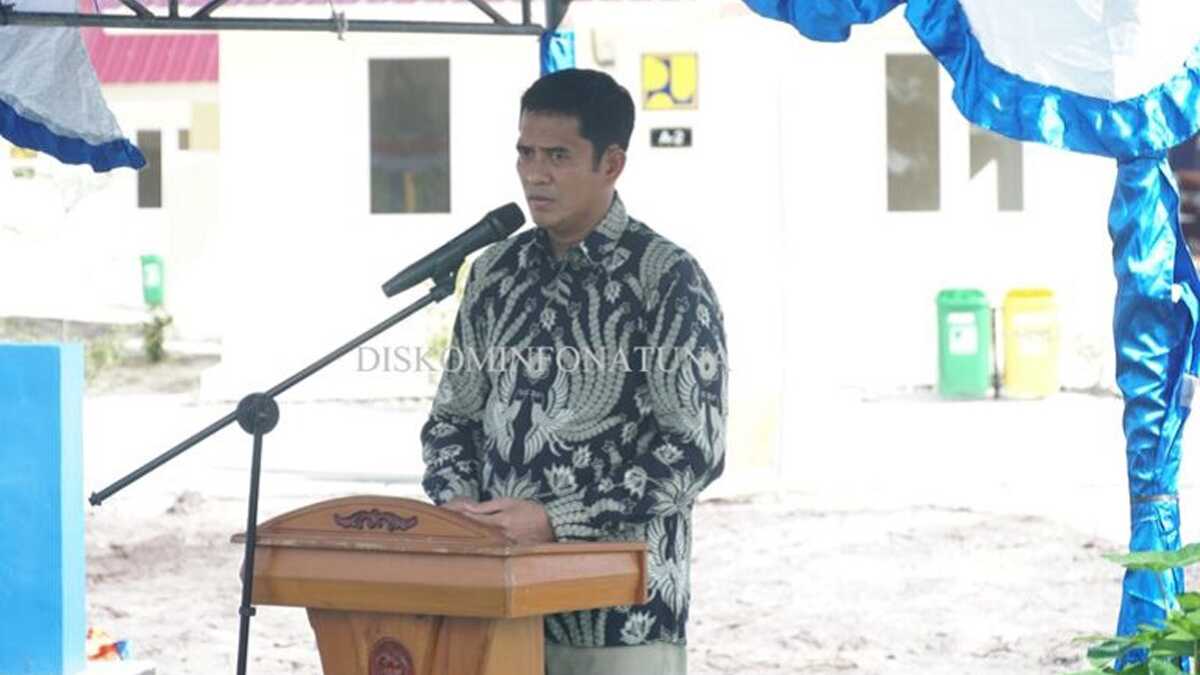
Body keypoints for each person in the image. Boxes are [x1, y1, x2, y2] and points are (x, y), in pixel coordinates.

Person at [419, 67, 727, 675]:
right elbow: (452, 420)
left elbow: (693, 450)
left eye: (558, 155)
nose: (535, 173)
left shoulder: (665, 279)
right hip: (491, 606)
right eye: (526, 153)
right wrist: (457, 511)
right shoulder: (494, 273)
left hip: (617, 616)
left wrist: (553, 520)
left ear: (611, 163)